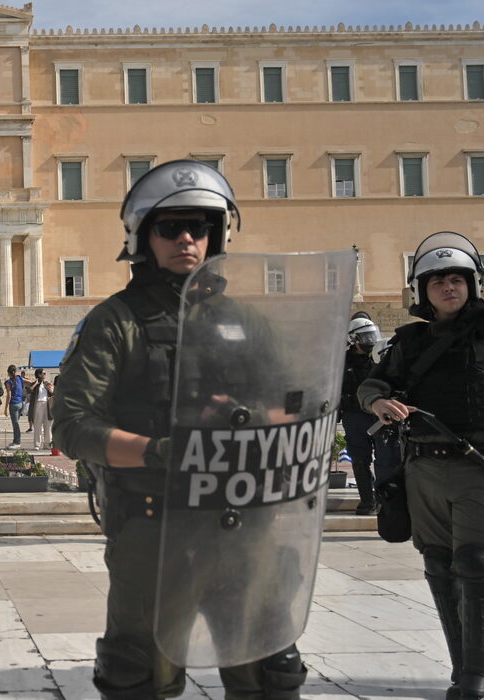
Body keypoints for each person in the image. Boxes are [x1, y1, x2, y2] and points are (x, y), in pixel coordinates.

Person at [52, 160, 308, 700]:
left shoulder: (249, 322)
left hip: (245, 520)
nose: (186, 238)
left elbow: (295, 405)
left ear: (219, 235)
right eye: (170, 227)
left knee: (269, 673)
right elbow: (74, 425)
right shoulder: (115, 322)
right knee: (139, 674)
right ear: (143, 236)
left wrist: (252, 420)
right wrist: (162, 451)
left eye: (200, 226)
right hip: (156, 522)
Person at [358, 231, 484, 700]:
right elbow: (370, 386)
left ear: (472, 283)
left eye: (456, 279)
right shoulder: (407, 343)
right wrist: (380, 402)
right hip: (423, 469)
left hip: (483, 467)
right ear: (422, 291)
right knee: (439, 563)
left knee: (477, 561)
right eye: (437, 282)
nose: (448, 288)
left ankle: (478, 678)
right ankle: (461, 668)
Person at [340, 313, 389, 515]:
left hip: (377, 415)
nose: (371, 340)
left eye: (372, 335)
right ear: (353, 339)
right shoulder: (342, 361)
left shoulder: (379, 357)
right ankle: (367, 501)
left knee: (385, 459)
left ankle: (385, 500)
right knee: (360, 460)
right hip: (354, 416)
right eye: (366, 337)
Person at [28, 368, 54, 450]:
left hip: (46, 404)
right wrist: (36, 383)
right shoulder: (34, 384)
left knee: (48, 425)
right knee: (38, 425)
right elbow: (29, 391)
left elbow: (52, 393)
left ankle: (47, 444)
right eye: (43, 373)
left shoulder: (47, 384)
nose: (45, 374)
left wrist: (49, 388)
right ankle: (37, 444)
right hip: (37, 405)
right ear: (39, 374)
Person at [4, 364, 25, 449]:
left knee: (15, 424)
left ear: (9, 373)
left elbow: (9, 395)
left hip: (14, 404)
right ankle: (15, 440)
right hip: (21, 403)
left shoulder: (9, 382)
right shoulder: (19, 378)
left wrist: (5, 408)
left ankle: (17, 442)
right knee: (16, 423)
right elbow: (26, 385)